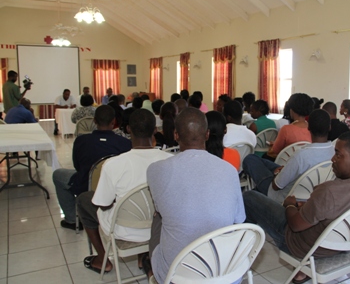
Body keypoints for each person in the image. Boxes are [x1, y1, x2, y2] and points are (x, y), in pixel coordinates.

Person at [243, 131, 350, 283]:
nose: (333, 159)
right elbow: (340, 211)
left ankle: (240, 257)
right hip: (345, 244)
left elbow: (295, 225)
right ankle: (301, 273)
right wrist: (307, 206)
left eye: (338, 154)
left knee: (249, 197)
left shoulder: (330, 190)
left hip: (302, 245)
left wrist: (290, 205)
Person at [145, 107, 245, 283]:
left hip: (177, 274)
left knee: (158, 217)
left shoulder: (156, 170)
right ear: (207, 135)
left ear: (176, 135)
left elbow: (162, 209)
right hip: (222, 270)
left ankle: (153, 272)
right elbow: (239, 219)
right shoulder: (229, 170)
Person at [77, 109, 173, 274]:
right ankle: (145, 257)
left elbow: (103, 204)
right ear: (156, 130)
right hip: (162, 228)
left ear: (128, 130)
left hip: (127, 229)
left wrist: (120, 202)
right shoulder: (170, 160)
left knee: (84, 200)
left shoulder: (114, 164)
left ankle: (102, 260)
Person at [52, 105, 132, 230]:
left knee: (57, 174)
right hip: (114, 188)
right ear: (113, 122)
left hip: (86, 185)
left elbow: (77, 166)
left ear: (94, 121)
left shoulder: (81, 141)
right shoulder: (125, 143)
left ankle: (72, 220)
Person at [243, 109, 334, 200]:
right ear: (330, 127)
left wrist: (278, 174)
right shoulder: (334, 153)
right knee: (266, 163)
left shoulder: (300, 155)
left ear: (309, 127)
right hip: (310, 195)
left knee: (250, 159)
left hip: (282, 197)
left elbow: (276, 186)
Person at [266, 93, 313, 159]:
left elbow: (275, 151)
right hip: (306, 163)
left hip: (286, 164)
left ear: (292, 109)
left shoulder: (286, 129)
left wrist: (272, 146)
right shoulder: (313, 128)